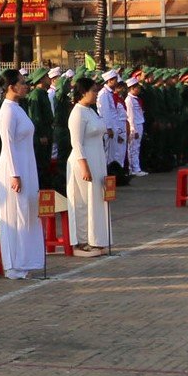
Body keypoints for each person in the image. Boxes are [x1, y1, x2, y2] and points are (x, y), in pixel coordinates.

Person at [0, 72, 45, 278]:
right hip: (12, 169)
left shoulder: (18, 109)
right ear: (11, 87)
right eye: (22, 84)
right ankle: (14, 265)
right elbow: (8, 145)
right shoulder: (6, 111)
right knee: (15, 215)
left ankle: (26, 260)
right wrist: (15, 174)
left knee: (28, 212)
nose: (26, 87)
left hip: (26, 165)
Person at [65, 78, 110, 257]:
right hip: (83, 162)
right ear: (83, 92)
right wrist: (84, 166)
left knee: (97, 200)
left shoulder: (91, 111)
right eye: (93, 90)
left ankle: (96, 239)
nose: (96, 92)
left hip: (97, 159)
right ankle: (81, 243)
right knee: (82, 202)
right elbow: (76, 142)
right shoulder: (77, 113)